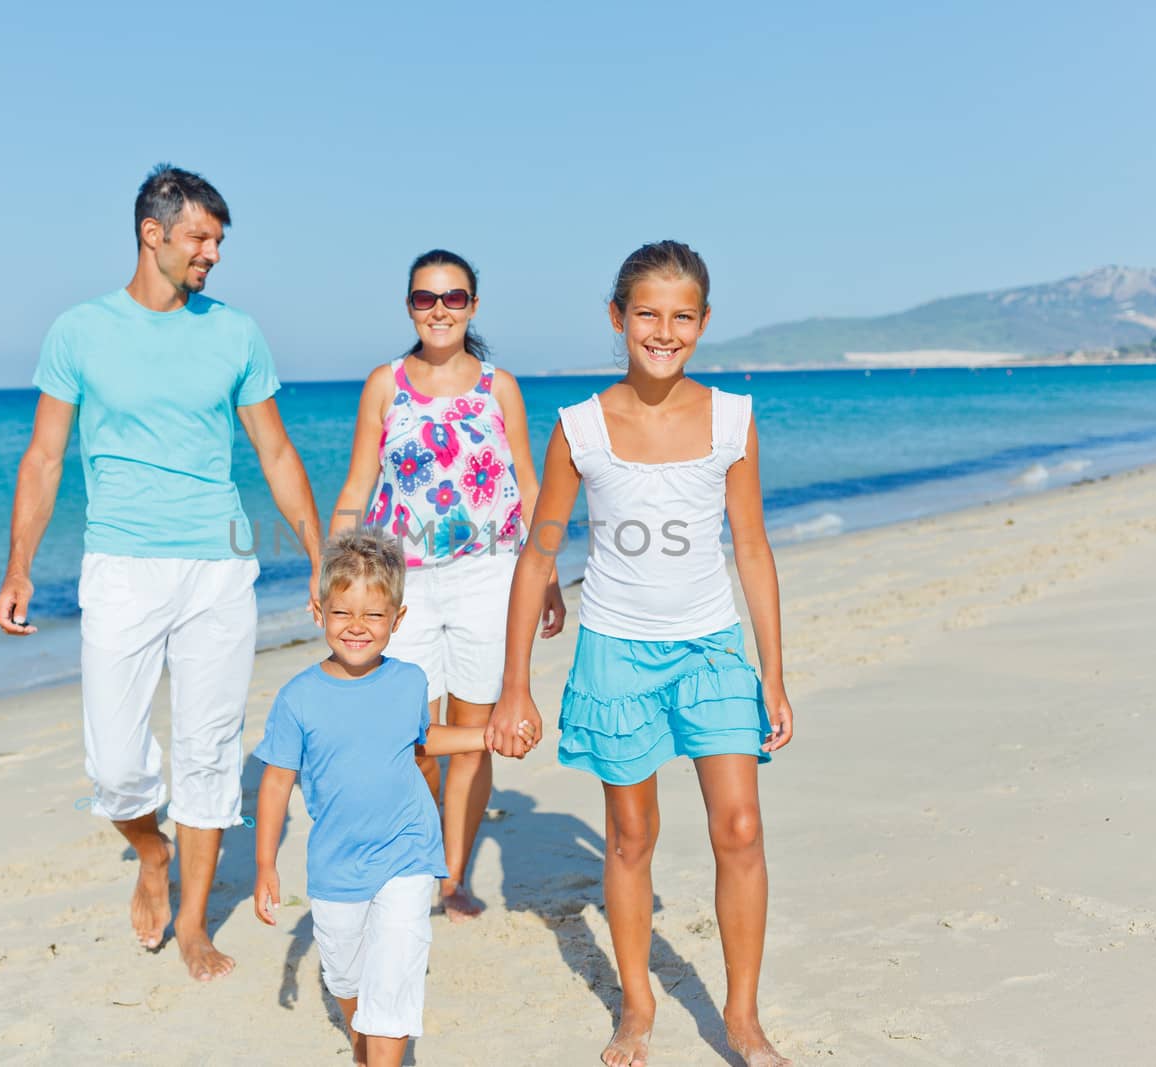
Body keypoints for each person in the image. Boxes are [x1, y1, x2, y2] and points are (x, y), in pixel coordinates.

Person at [0, 164, 322, 982]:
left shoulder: (236, 333)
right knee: (114, 763)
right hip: (120, 564)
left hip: (218, 564)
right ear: (153, 233)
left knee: (210, 750)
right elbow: (43, 457)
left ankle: (193, 923)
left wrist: (320, 555)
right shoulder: (79, 331)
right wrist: (19, 567)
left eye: (218, 240)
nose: (212, 253)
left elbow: (275, 450)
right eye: (199, 238)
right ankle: (151, 848)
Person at [490, 241, 795, 1067]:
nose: (665, 331)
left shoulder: (733, 417)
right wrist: (514, 685)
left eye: (682, 316)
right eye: (648, 314)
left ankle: (741, 1017)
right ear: (618, 318)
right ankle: (636, 1004)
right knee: (630, 835)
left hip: (711, 651)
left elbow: (754, 549)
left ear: (702, 322)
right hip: (617, 653)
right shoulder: (580, 428)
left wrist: (774, 673)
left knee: (740, 826)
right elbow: (537, 554)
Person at [328, 249, 564, 920]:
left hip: (490, 577)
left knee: (474, 728)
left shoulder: (500, 388)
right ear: (409, 306)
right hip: (401, 583)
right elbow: (356, 485)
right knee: (410, 733)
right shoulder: (385, 384)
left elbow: (528, 485)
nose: (440, 310)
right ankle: (416, 850)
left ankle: (452, 874)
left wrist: (543, 576)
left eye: (454, 297)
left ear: (473, 306)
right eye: (426, 298)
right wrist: (333, 573)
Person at [252, 528, 532, 1066]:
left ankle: (381, 1050)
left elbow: (425, 739)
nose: (357, 627)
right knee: (345, 974)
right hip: (336, 866)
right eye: (343, 614)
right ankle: (362, 1034)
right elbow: (276, 781)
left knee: (396, 977)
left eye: (373, 616)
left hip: (406, 853)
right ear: (319, 613)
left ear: (397, 621)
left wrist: (487, 734)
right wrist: (265, 862)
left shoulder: (408, 681)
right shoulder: (298, 699)